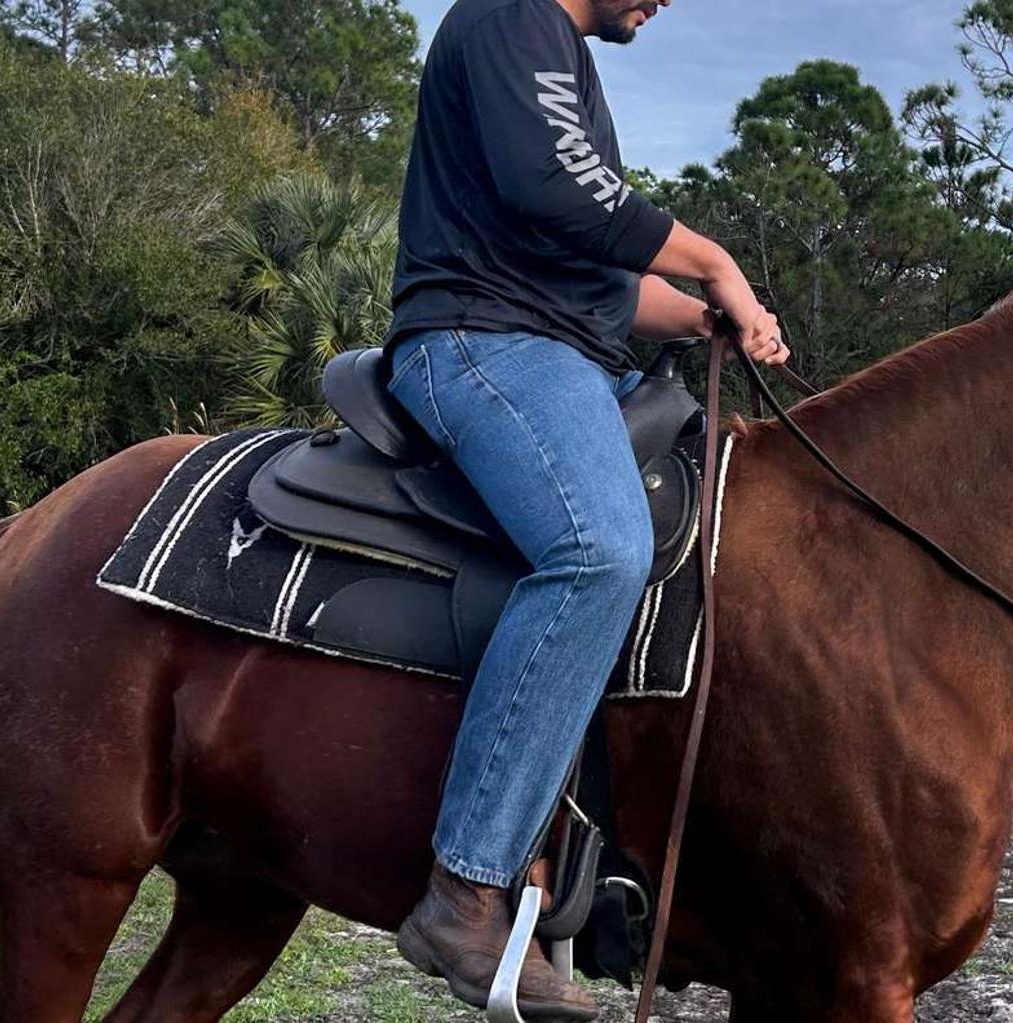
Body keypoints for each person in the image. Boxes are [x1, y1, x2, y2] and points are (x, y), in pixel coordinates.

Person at [383, 0, 786, 1016]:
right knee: (597, 549)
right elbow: (555, 191)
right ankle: (465, 890)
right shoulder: (510, 19)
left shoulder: (563, 62)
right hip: (483, 342)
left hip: (559, 344)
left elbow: (595, 273)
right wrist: (717, 265)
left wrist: (705, 318)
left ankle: (614, 847)